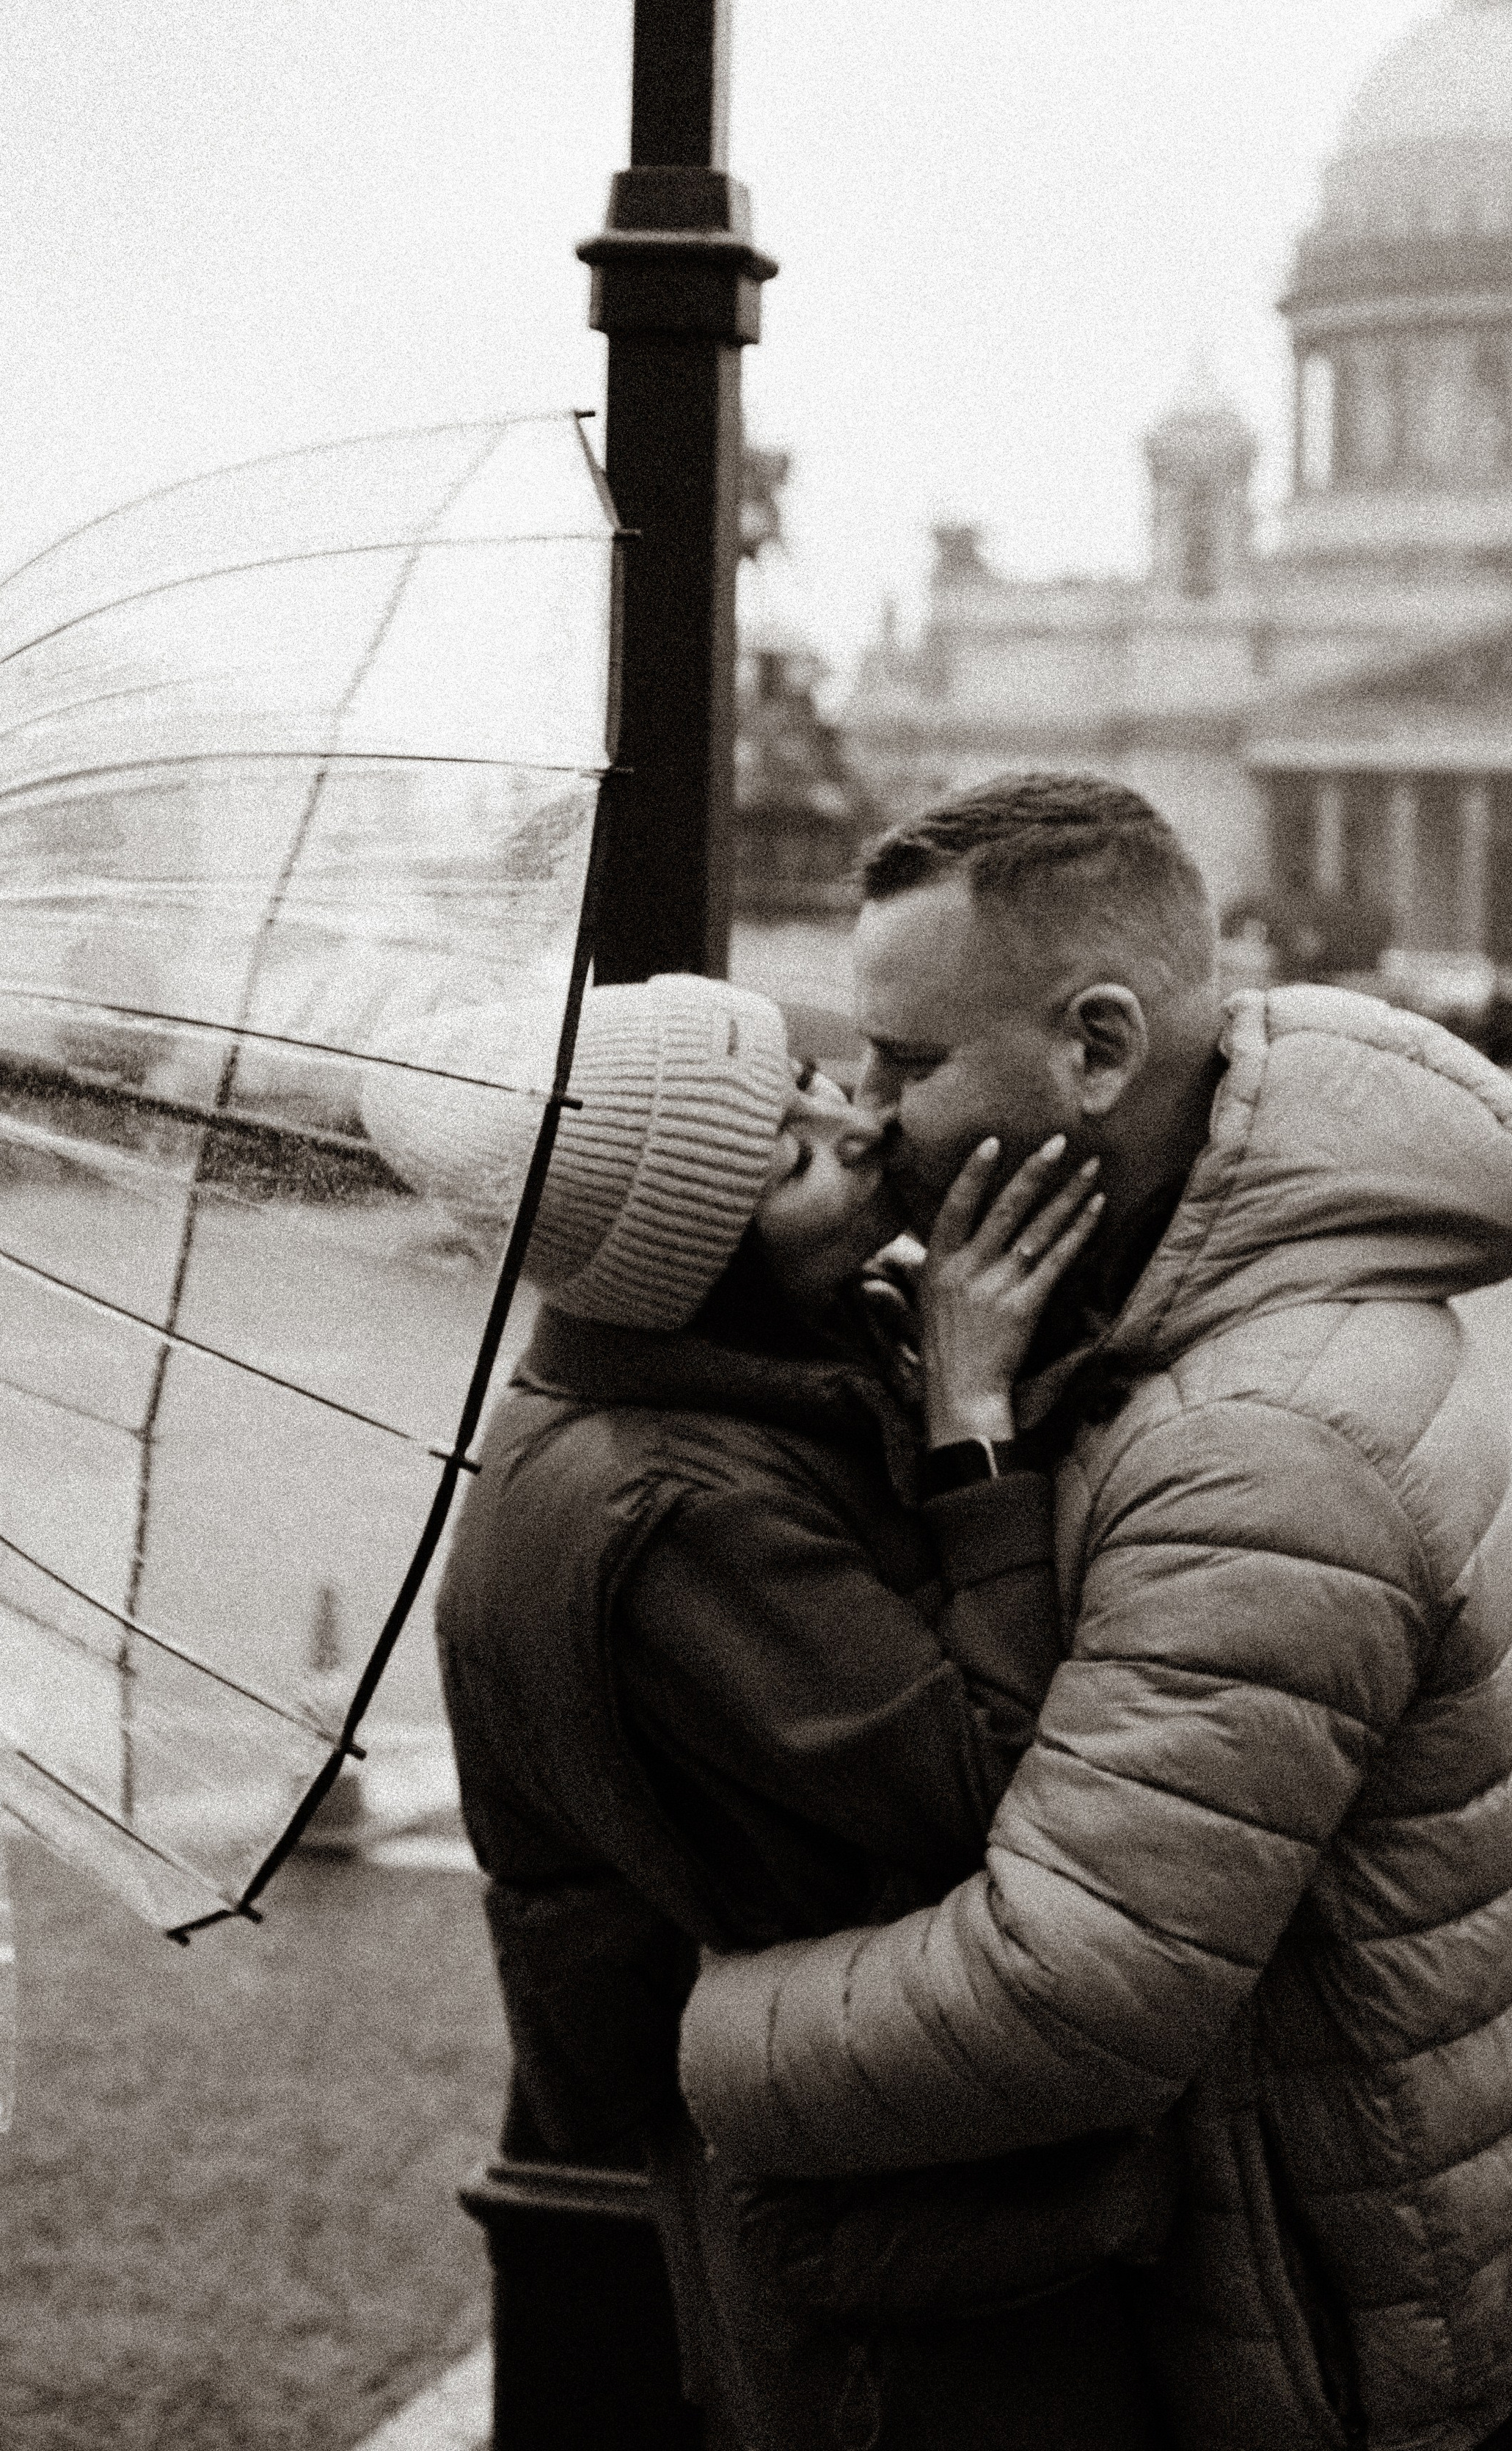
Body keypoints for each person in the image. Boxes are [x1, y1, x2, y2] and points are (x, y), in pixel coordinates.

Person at [678, 776, 1512, 2451]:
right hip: (1401, 2168)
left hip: (1349, 2279)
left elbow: (1074, 1998)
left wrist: (690, 2038)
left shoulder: (1256, 1442)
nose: (875, 1116)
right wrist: (973, 1396)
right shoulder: (1174, 1281)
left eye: (910, 1067)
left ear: (1101, 1048)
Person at [418, 972, 1175, 2451]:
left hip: (852, 2157)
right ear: (701, 1265)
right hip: (883, 2230)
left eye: (812, 1083)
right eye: (787, 1158)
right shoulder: (678, 1511)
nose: (855, 1120)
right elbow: (996, 1791)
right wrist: (968, 1428)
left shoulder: (678, 1409)